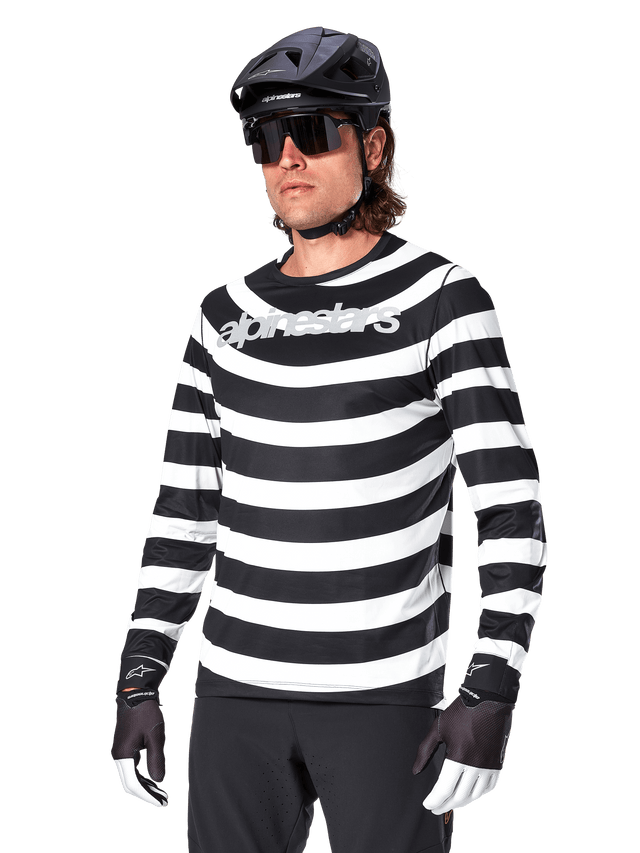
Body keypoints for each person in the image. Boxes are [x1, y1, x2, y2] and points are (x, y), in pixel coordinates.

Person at [111, 26, 548, 853]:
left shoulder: (443, 298)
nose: (288, 158)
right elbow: (183, 515)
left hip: (384, 701)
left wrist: (491, 687)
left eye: (313, 131)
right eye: (267, 138)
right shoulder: (221, 316)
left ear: (374, 146)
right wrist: (138, 676)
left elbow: (511, 508)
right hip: (234, 696)